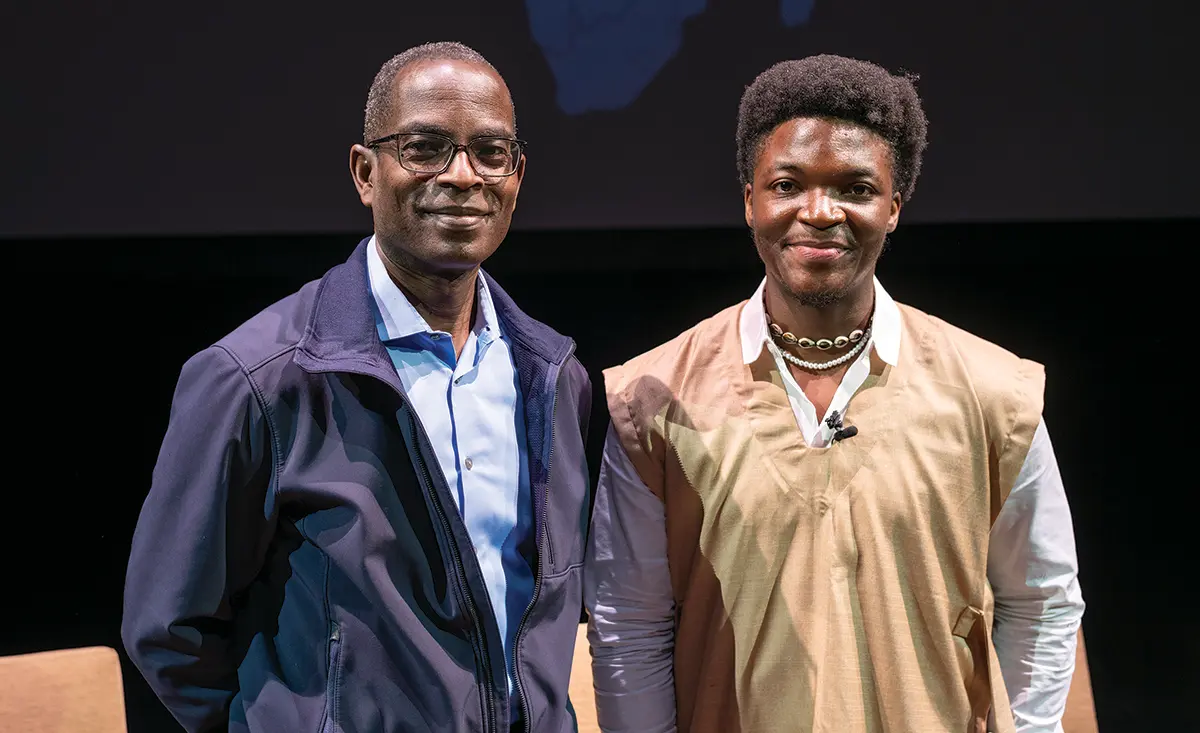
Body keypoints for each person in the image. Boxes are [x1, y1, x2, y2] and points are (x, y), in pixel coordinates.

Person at [585, 54, 1085, 733]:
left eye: (854, 187)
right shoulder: (655, 400)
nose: (819, 212)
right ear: (750, 199)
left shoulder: (994, 393)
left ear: (894, 206)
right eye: (787, 183)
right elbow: (628, 624)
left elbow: (1043, 599)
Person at [122, 42, 592, 733]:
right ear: (365, 172)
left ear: (517, 175)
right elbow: (168, 630)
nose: (463, 175)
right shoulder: (257, 381)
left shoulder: (554, 378)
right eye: (426, 147)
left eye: (490, 152)